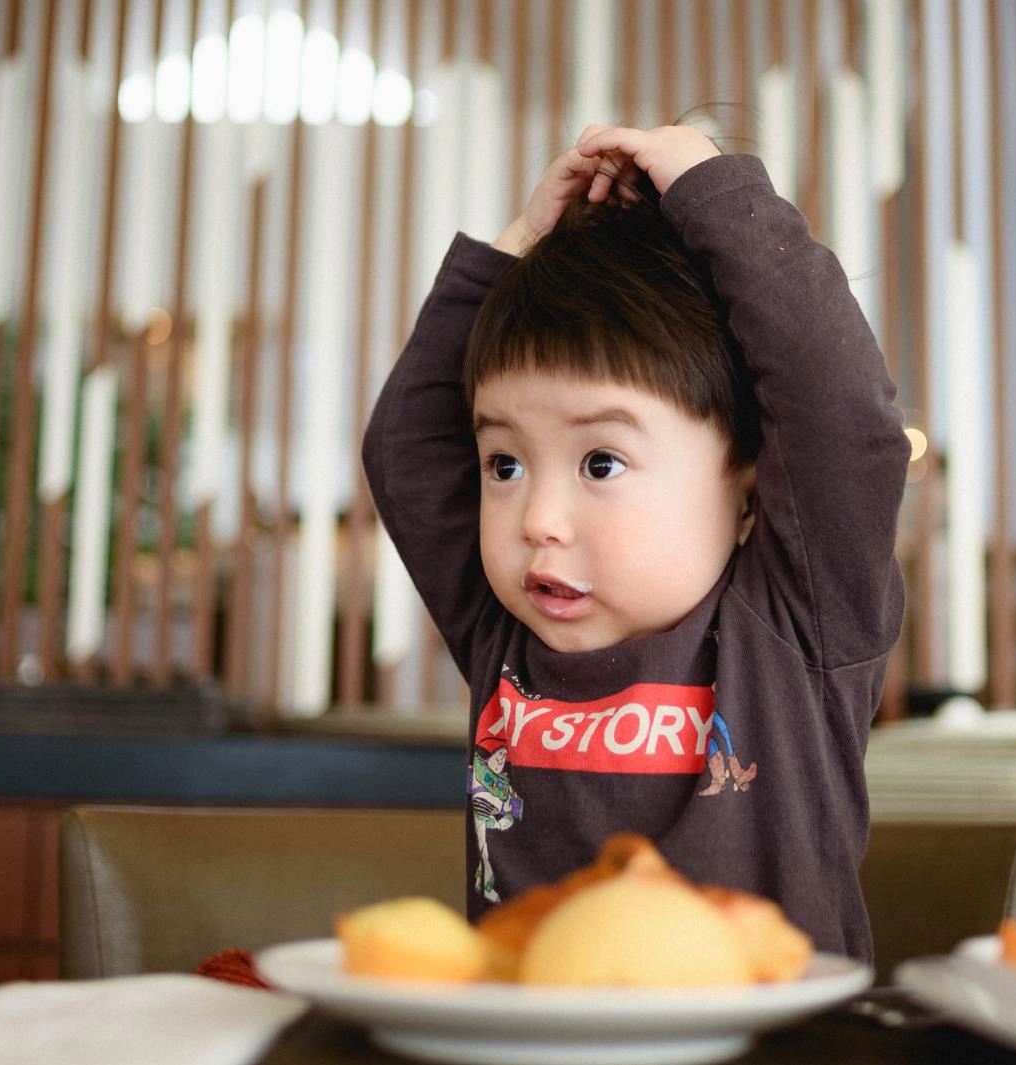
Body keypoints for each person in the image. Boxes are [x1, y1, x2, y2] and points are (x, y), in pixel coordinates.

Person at [362, 124, 909, 961]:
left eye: (602, 461)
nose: (539, 518)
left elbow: (845, 420)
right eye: (504, 462)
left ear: (748, 478)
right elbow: (406, 447)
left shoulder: (796, 628)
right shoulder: (501, 629)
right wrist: (509, 259)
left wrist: (714, 187)